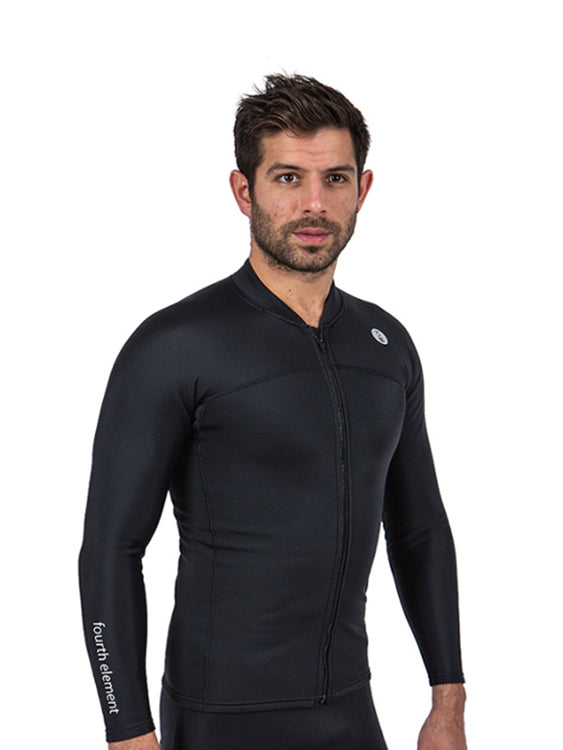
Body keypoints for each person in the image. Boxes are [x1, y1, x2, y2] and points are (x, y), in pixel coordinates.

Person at [79, 73, 467, 750]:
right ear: (244, 192)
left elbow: (419, 528)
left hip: (349, 712)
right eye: (288, 178)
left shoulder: (385, 345)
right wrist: (127, 730)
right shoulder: (174, 345)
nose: (314, 203)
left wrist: (448, 699)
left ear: (362, 190)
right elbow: (111, 550)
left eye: (335, 179)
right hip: (218, 719)